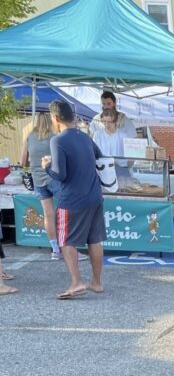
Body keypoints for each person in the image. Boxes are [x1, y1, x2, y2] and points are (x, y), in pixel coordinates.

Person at [42, 99, 106, 300]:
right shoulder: (84, 136)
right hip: (94, 195)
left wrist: (46, 166)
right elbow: (99, 156)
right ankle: (96, 282)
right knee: (94, 240)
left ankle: (76, 282)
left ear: (55, 118)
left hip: (72, 199)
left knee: (66, 240)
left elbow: (60, 174)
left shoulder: (58, 140)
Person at [22, 111, 61, 261]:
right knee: (65, 212)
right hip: (54, 178)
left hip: (37, 179)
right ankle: (69, 248)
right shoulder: (54, 137)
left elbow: (23, 161)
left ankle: (55, 250)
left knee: (48, 215)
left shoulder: (29, 137)